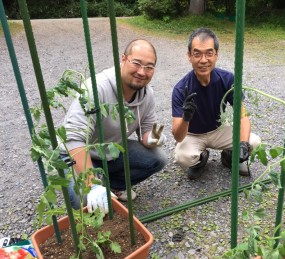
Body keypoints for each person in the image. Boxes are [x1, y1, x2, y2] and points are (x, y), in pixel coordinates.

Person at [63, 39, 167, 213]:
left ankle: (112, 187)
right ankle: (97, 184)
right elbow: (73, 138)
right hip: (80, 153)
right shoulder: (97, 88)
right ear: (124, 59)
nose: (142, 72)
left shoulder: (147, 94)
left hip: (109, 151)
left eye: (149, 67)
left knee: (158, 159)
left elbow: (146, 132)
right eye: (137, 63)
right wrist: (92, 184)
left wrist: (154, 138)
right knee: (81, 197)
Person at [171, 28, 261, 180]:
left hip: (219, 129)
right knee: (182, 157)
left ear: (216, 55)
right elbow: (178, 136)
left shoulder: (228, 79)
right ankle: (200, 159)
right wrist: (186, 117)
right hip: (193, 134)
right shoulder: (181, 89)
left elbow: (242, 116)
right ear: (189, 56)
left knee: (253, 142)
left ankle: (229, 156)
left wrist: (243, 144)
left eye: (209, 53)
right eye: (197, 54)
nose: (203, 60)